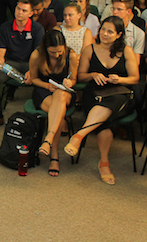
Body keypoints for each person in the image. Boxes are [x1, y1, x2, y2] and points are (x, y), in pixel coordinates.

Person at [64, 16, 139, 185]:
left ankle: (79, 135)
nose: (104, 34)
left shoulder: (126, 51)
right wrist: (93, 74)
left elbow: (135, 78)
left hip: (120, 94)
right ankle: (103, 163)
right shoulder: (90, 49)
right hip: (95, 93)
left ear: (119, 34)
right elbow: (81, 77)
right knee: (104, 121)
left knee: (111, 104)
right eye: (103, 29)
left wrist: (119, 79)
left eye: (110, 31)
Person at [0, 0, 44, 131]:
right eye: (18, 9)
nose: (20, 12)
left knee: (45, 74)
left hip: (31, 63)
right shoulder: (6, 27)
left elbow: (38, 54)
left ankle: (41, 117)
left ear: (30, 13)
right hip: (12, 64)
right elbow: (0, 52)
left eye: (24, 10)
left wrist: (32, 70)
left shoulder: (37, 28)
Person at [29, 30, 78, 176]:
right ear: (45, 48)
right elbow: (34, 79)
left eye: (59, 52)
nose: (57, 55)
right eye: (52, 52)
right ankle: (54, 153)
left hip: (64, 92)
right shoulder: (36, 55)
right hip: (44, 90)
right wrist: (47, 86)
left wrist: (70, 82)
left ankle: (49, 139)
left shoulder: (71, 55)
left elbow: (74, 79)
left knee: (61, 95)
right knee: (58, 112)